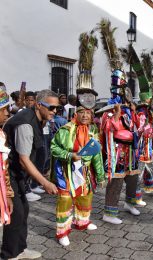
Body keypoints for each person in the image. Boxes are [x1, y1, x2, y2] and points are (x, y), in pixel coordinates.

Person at [1, 89, 58, 260]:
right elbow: (23, 160)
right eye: (51, 107)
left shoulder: (39, 118)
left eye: (57, 108)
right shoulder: (25, 123)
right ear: (39, 105)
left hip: (19, 174)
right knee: (16, 212)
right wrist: (44, 182)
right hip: (9, 173)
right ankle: (9, 254)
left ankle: (20, 249)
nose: (54, 111)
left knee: (23, 209)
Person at [50, 92, 105, 246]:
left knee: (85, 197)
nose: (86, 116)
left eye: (89, 113)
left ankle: (82, 222)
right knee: (65, 200)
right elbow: (54, 148)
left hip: (86, 172)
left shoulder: (93, 130)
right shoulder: (66, 129)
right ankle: (62, 231)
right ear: (76, 113)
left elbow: (97, 154)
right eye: (82, 112)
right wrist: (69, 155)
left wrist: (100, 175)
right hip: (67, 171)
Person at [0, 83, 14, 226]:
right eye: (3, 109)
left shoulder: (1, 135)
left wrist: (8, 196)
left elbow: (4, 171)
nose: (7, 113)